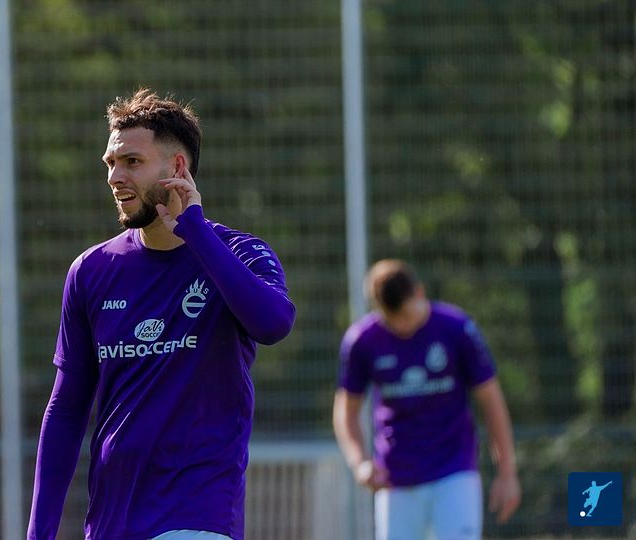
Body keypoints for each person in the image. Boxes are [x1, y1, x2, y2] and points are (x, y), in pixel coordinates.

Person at [26, 89, 296, 540]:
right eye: (111, 163)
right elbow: (67, 411)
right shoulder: (90, 271)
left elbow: (273, 324)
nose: (115, 176)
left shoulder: (239, 252)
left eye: (132, 162)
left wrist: (195, 229)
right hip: (111, 524)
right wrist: (39, 533)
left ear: (177, 169)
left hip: (197, 517)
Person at [333, 259, 521, 540]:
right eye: (393, 319)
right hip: (396, 479)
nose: (403, 325)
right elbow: (346, 410)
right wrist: (359, 461)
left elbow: (491, 400)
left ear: (419, 292)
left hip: (455, 472)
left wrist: (507, 473)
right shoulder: (362, 341)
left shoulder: (457, 329)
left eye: (407, 315)